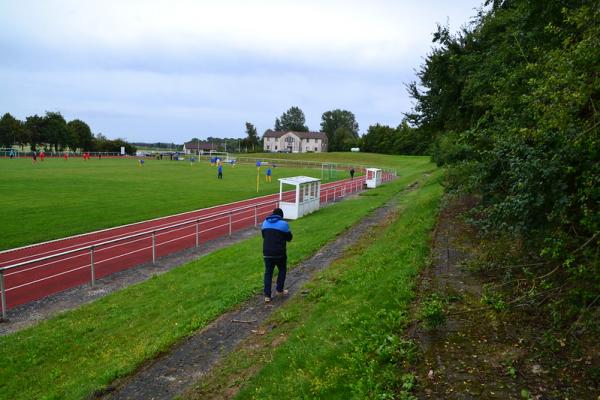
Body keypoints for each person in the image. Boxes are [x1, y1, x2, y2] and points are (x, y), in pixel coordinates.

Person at [261, 208, 293, 303]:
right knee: (282, 269)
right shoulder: (284, 224)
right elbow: (289, 238)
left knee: (268, 273)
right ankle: (279, 290)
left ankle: (267, 295)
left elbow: (264, 236)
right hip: (279, 253)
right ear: (281, 216)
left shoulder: (264, 223)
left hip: (267, 252)